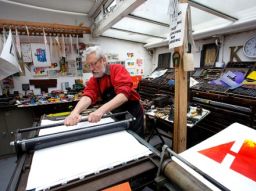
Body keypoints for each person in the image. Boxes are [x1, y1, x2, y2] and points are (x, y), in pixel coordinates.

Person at [64, 46, 144, 137]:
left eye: (94, 64)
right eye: (89, 65)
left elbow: (123, 95)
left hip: (132, 113)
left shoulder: (117, 69)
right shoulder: (95, 79)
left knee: (136, 141)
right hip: (116, 114)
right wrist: (75, 112)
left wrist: (100, 111)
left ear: (104, 60)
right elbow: (87, 96)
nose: (91, 68)